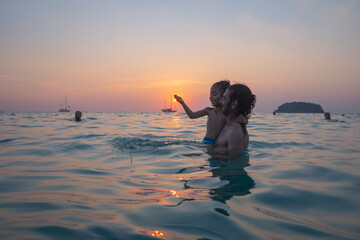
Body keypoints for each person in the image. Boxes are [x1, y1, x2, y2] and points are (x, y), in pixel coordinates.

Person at [174, 80, 230, 145]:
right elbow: (192, 115)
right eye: (210, 94)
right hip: (206, 141)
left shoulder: (228, 114)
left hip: (218, 144)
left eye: (214, 94)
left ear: (224, 96)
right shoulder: (209, 111)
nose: (211, 97)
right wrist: (182, 102)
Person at [213, 83, 256, 156]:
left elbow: (235, 165)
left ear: (233, 104)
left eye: (224, 98)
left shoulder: (235, 133)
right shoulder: (227, 125)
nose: (220, 101)